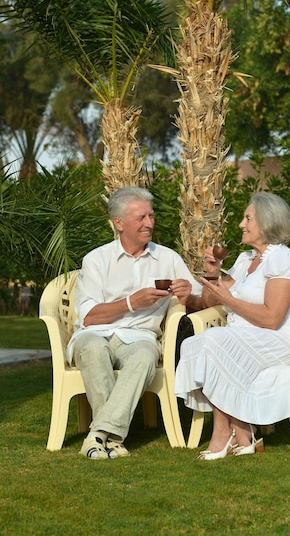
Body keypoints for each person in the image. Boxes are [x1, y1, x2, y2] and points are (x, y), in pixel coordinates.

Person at [67, 186, 202, 460]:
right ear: (119, 223)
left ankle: (98, 436)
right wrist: (132, 302)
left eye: (151, 216)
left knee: (143, 357)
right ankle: (113, 438)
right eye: (141, 218)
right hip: (95, 333)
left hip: (141, 337)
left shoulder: (167, 258)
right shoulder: (96, 259)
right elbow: (89, 316)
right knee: (93, 349)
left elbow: (200, 296)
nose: (149, 223)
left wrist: (191, 294)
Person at [174, 191, 290, 460]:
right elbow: (212, 300)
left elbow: (272, 318)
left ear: (267, 224)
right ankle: (241, 432)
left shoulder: (282, 258)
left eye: (248, 219)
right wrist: (213, 272)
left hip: (279, 339)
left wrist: (229, 300)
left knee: (215, 342)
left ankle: (222, 434)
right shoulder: (245, 260)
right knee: (194, 344)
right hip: (243, 337)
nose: (241, 225)